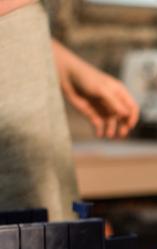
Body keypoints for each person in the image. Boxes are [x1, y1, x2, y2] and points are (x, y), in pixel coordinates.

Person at [0, 0, 139, 220]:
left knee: (51, 241)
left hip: (22, 41)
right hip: (10, 64)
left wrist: (58, 60)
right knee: (26, 244)